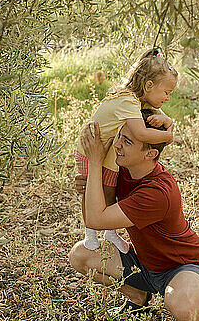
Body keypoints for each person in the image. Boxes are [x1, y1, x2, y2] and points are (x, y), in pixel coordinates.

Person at [69, 110, 199, 321]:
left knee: (183, 308)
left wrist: (94, 164)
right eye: (120, 135)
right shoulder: (121, 171)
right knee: (81, 255)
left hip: (184, 267)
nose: (118, 144)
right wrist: (89, 186)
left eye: (127, 141)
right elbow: (90, 217)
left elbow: (96, 220)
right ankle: (139, 299)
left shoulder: (157, 192)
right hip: (144, 265)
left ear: (150, 154)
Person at [75, 48, 177, 254]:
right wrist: (168, 137)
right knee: (90, 188)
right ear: (149, 86)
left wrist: (167, 121)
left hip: (111, 151)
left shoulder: (140, 101)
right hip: (91, 147)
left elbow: (164, 119)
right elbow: (141, 134)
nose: (167, 97)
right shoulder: (127, 100)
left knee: (109, 189)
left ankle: (110, 232)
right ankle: (90, 232)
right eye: (166, 92)